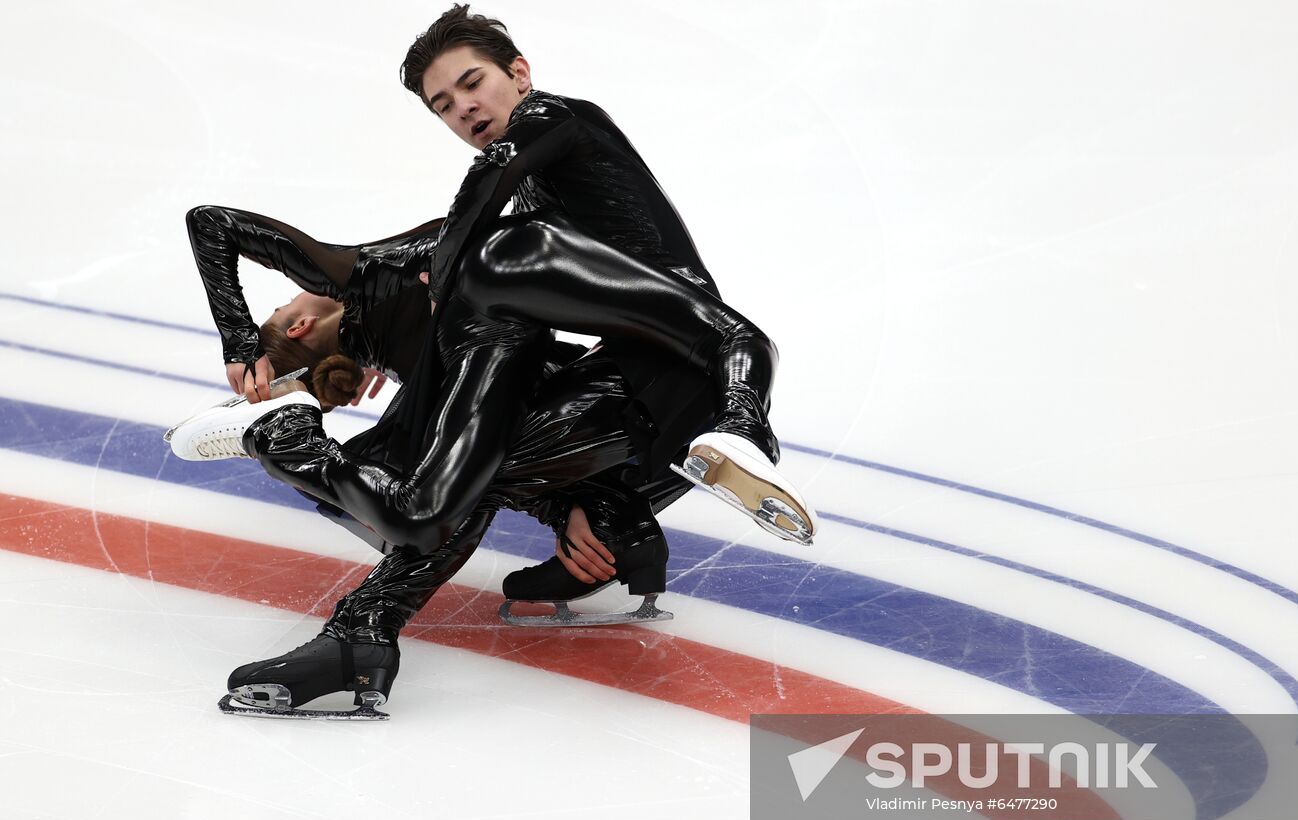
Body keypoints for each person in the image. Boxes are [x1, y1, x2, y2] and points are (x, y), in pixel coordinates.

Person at [171, 4, 816, 561]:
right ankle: (693, 466)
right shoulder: (489, 227)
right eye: (443, 106)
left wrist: (242, 343)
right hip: (637, 366)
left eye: (471, 84)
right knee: (448, 484)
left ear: (520, 72)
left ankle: (731, 441)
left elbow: (488, 185)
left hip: (671, 336)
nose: (463, 109)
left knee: (740, 344)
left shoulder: (557, 119)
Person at [181, 204, 687, 718]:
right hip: (659, 378)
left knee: (452, 478)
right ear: (299, 325)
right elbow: (211, 222)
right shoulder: (375, 285)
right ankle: (617, 526)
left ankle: (366, 628)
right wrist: (249, 341)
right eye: (284, 304)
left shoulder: (390, 306)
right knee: (435, 469)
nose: (292, 294)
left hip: (641, 389)